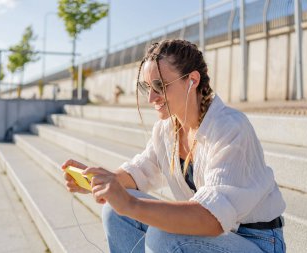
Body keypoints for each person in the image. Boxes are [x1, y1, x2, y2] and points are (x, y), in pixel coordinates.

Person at [62, 39, 287, 253]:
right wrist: (100, 182)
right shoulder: (167, 129)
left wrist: (131, 204)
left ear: (192, 80)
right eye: (145, 87)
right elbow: (141, 171)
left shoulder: (230, 127)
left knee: (162, 236)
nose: (151, 98)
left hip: (257, 242)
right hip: (216, 238)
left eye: (160, 86)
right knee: (115, 211)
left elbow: (211, 218)